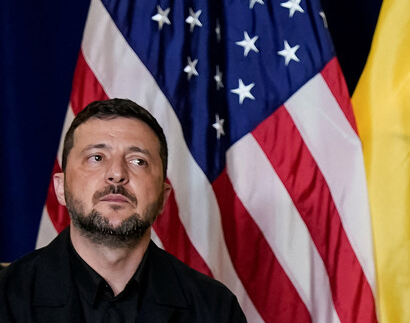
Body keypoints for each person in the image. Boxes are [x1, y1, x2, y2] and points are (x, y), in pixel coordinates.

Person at [0, 98, 247, 322]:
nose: (117, 174)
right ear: (61, 188)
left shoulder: (216, 309)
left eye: (138, 161)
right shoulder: (6, 297)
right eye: (97, 157)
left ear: (163, 197)